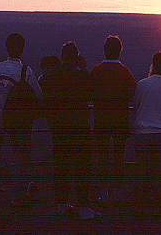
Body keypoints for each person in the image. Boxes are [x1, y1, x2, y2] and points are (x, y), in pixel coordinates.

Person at [39, 45, 100, 221]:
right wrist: (84, 69)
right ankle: (84, 208)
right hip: (80, 128)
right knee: (82, 168)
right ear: (77, 58)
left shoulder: (53, 76)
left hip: (59, 129)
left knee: (61, 167)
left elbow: (45, 96)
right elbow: (93, 92)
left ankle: (61, 205)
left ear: (62, 57)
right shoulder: (81, 76)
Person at [0, 33, 42, 207]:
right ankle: (19, 196)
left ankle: (4, 186)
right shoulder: (25, 71)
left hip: (5, 118)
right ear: (22, 49)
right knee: (22, 157)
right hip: (22, 120)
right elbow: (38, 95)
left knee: (5, 153)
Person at [89, 35, 137, 205]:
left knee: (102, 156)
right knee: (119, 156)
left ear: (105, 50)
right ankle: (117, 192)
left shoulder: (96, 70)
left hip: (101, 119)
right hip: (120, 119)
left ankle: (103, 191)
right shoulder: (126, 72)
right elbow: (133, 95)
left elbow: (89, 93)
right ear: (119, 51)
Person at [132, 51, 161, 207]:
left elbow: (136, 106)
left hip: (142, 132)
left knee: (140, 170)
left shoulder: (142, 84)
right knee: (158, 171)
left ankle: (139, 205)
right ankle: (157, 205)